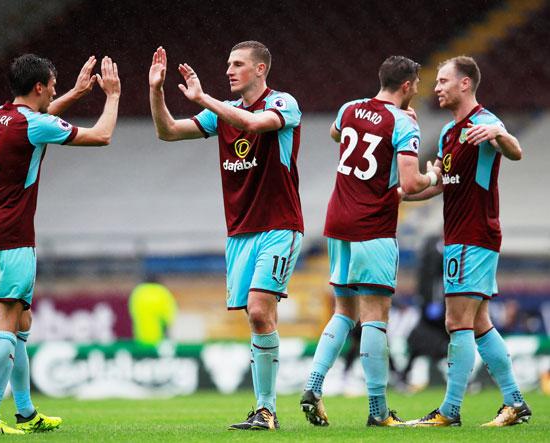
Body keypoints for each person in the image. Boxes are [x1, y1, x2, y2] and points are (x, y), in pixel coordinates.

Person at [149, 42, 303, 431]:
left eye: (238, 64)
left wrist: (203, 98)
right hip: (239, 232)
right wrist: (156, 91)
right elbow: (167, 132)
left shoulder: (284, 103)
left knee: (258, 309)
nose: (229, 71)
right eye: (227, 64)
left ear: (261, 69)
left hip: (278, 225)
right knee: (257, 319)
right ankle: (263, 411)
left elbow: (254, 124)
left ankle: (266, 410)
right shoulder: (220, 115)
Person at [0, 53, 121, 434]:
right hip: (13, 236)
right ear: (38, 87)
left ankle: (25, 411)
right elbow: (101, 136)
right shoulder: (34, 125)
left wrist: (76, 93)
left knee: (22, 320)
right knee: (5, 322)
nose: (55, 88)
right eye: (52, 84)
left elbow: (39, 118)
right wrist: (111, 95)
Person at [300, 56, 442, 428]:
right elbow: (410, 185)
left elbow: (336, 134)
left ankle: (313, 384)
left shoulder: (349, 109)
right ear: (408, 86)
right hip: (373, 226)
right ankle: (378, 410)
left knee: (343, 313)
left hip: (338, 221)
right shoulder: (402, 122)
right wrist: (432, 176)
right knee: (375, 318)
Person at [403, 56, 530, 427]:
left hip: (474, 235)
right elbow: (441, 184)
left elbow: (515, 150)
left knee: (455, 321)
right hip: (460, 235)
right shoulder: (447, 134)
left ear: (465, 84)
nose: (436, 87)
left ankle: (449, 411)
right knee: (477, 323)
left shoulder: (486, 122)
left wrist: (498, 136)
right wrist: (402, 194)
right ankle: (515, 403)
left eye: (443, 80)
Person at [128, 275, 177, 347]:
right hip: (159, 341)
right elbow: (169, 317)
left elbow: (131, 312)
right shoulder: (162, 292)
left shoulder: (137, 292)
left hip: (139, 339)